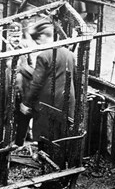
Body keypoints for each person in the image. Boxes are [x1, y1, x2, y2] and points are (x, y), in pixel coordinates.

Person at [19, 22, 75, 156]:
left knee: (44, 128)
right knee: (62, 129)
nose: (38, 43)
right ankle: (60, 155)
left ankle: (44, 155)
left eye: (38, 39)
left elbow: (36, 83)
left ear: (44, 36)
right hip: (67, 98)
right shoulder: (70, 54)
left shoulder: (44, 56)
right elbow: (77, 78)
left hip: (48, 100)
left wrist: (26, 104)